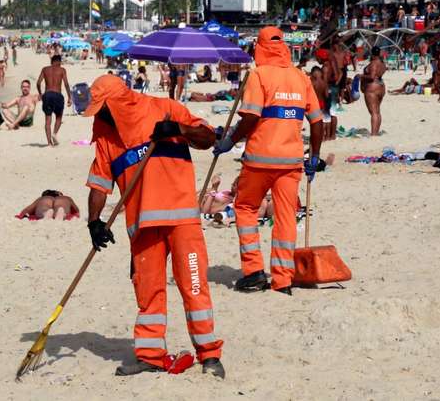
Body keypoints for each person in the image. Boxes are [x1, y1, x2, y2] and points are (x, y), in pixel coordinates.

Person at [83, 74, 225, 378]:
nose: (101, 116)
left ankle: (209, 355)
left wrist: (179, 129)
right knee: (148, 293)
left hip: (182, 219)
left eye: (103, 108)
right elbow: (98, 184)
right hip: (143, 225)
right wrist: (94, 222)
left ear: (116, 102)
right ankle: (150, 355)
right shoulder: (107, 137)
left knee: (194, 287)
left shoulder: (165, 108)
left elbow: (208, 138)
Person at [213, 26, 323, 295]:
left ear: (260, 47)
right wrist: (315, 155)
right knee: (286, 217)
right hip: (291, 161)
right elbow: (318, 121)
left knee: (246, 209)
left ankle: (253, 272)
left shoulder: (258, 75)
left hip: (260, 159)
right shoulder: (300, 77)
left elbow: (250, 117)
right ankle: (283, 280)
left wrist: (230, 141)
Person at [36, 54, 72, 146]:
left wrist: (40, 94)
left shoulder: (45, 69)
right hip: (57, 95)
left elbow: (38, 83)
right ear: (59, 61)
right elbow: (66, 84)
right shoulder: (62, 70)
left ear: (52, 61)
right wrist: (69, 97)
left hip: (47, 95)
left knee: (48, 120)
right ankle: (54, 133)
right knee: (59, 117)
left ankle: (49, 143)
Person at [361, 46, 386, 136]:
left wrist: (361, 76)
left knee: (373, 112)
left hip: (372, 88)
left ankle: (374, 133)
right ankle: (376, 131)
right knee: (377, 111)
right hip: (381, 86)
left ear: (372, 54)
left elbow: (371, 77)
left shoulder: (373, 63)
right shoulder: (382, 63)